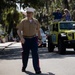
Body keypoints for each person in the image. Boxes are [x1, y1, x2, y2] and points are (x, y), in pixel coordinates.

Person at [16, 7, 42, 74]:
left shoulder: (36, 21)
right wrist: (21, 38)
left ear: (32, 14)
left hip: (34, 39)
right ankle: (24, 66)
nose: (28, 14)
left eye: (30, 13)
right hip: (26, 39)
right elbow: (18, 30)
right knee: (25, 54)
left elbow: (38, 31)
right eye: (27, 13)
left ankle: (37, 69)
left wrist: (39, 39)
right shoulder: (23, 21)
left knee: (35, 54)